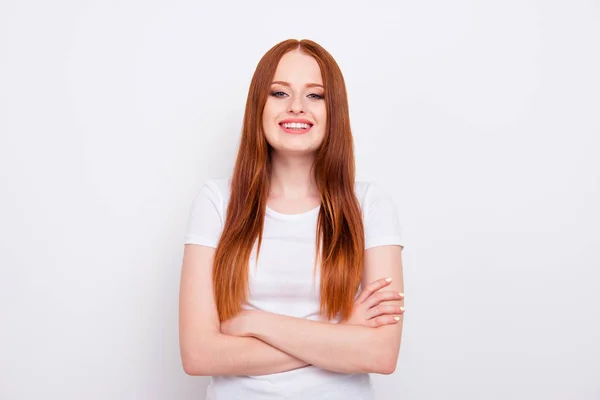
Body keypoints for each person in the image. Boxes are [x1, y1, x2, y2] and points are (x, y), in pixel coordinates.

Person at [179, 38, 405, 400]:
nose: (297, 107)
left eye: (315, 96)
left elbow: (380, 353)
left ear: (335, 111)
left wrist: (252, 324)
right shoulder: (217, 201)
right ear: (259, 106)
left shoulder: (370, 205)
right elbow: (198, 354)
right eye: (279, 93)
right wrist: (339, 336)